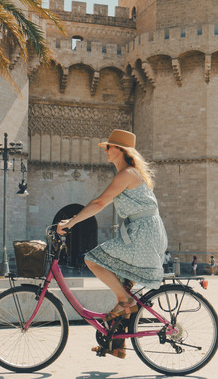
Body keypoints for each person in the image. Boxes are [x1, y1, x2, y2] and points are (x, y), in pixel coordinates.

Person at [58, 129, 168, 357]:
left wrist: (72, 222)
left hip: (142, 236)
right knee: (123, 290)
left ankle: (126, 301)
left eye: (109, 147)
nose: (106, 150)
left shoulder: (127, 174)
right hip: (142, 233)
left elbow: (99, 203)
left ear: (121, 150)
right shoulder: (129, 174)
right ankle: (117, 346)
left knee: (92, 259)